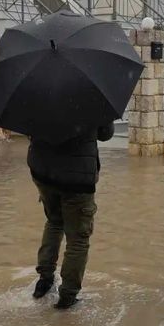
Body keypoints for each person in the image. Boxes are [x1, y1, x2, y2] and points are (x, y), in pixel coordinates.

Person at [27, 122, 115, 309]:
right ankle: (68, 296)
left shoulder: (39, 95)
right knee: (78, 239)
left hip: (43, 171)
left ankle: (44, 280)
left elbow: (29, 130)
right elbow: (105, 133)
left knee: (54, 221)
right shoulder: (93, 97)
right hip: (77, 178)